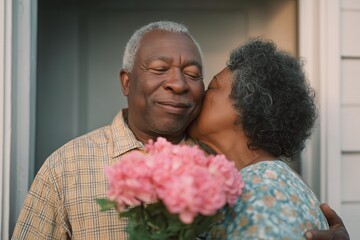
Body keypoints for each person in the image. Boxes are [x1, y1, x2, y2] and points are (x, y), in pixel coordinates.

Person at [12, 21, 349, 239]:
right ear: (126, 81)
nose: (178, 84)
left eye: (194, 74)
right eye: (160, 68)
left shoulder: (232, 173)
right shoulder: (66, 167)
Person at [189, 38, 348, 239]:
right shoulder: (268, 178)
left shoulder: (260, 189)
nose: (199, 95)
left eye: (212, 86)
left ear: (245, 107)